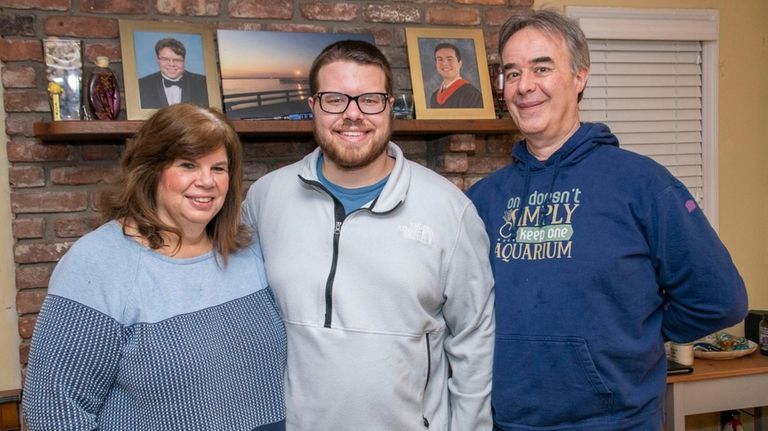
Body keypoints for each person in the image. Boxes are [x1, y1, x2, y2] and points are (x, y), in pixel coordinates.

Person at [466, 9, 748, 430]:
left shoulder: (642, 183)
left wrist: (635, 333)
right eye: (511, 72)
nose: (524, 86)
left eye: (542, 68)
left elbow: (720, 298)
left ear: (580, 76)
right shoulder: (484, 199)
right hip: (509, 422)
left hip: (617, 422)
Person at [242, 40, 495, 430]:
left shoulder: (449, 210)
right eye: (334, 100)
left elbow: (473, 338)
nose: (353, 114)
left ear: (390, 106)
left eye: (370, 100)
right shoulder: (265, 199)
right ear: (313, 107)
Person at [23, 104, 287, 431]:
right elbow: (55, 410)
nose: (207, 181)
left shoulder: (248, 251)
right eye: (188, 165)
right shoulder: (96, 264)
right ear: (151, 170)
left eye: (219, 168)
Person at [138, 38, 209, 109]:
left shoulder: (203, 83)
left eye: (177, 60)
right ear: (158, 60)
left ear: (184, 61)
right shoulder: (141, 85)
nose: (171, 64)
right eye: (165, 59)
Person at [429, 42, 483, 109]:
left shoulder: (471, 94)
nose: (445, 63)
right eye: (440, 59)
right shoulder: (434, 96)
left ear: (460, 63)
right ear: (436, 64)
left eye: (449, 59)